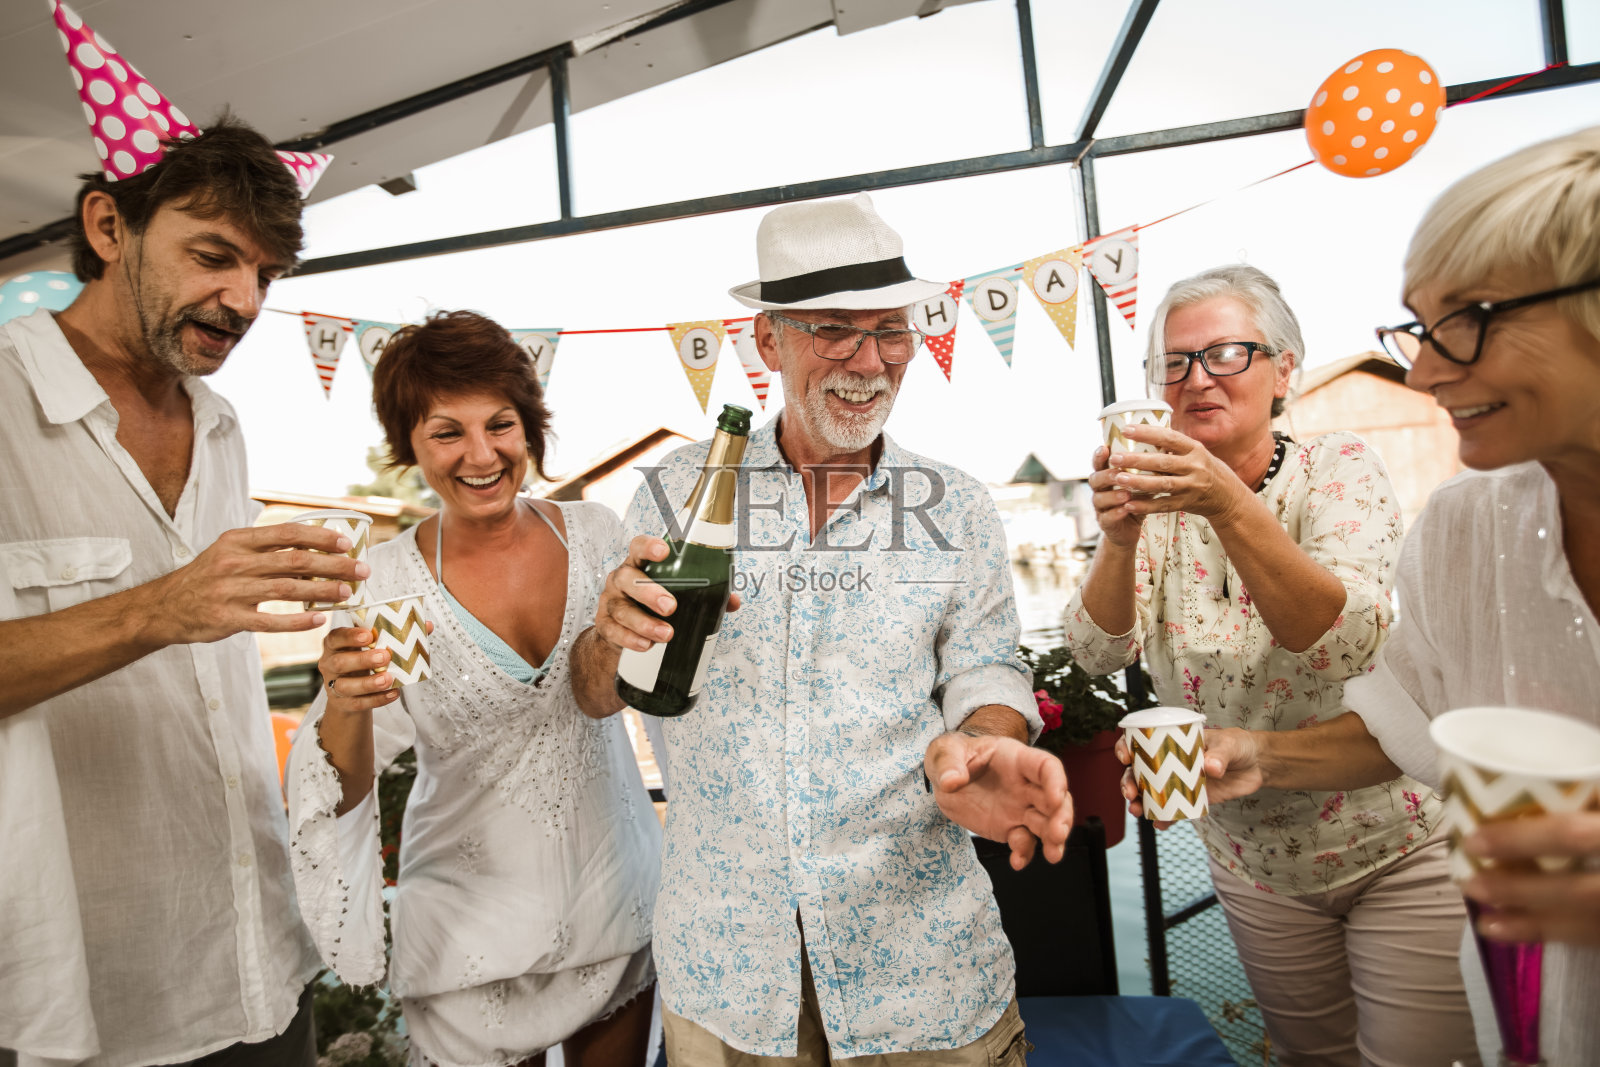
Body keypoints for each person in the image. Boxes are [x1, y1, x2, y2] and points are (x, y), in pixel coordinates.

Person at [569, 193, 1069, 1065]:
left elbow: (987, 671)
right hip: (727, 977)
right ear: (768, 340)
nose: (869, 362)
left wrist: (986, 742)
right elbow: (591, 691)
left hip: (923, 969)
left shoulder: (956, 506)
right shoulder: (675, 494)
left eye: (891, 332)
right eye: (835, 331)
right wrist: (611, 636)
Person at [1186, 124, 1600, 1067]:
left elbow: (1333, 631)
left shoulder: (1340, 470)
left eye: (1470, 317)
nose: (1423, 371)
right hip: (1529, 1023)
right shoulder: (1465, 529)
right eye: (1419, 326)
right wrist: (1256, 755)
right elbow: (1403, 723)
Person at [0, 118, 357, 1065]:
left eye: (267, 273)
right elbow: (178, 612)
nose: (245, 299)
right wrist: (161, 608)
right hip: (85, 996)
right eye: (214, 256)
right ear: (108, 226)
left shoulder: (222, 423)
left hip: (259, 962)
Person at [1064, 264, 1477, 1066]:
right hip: (1254, 860)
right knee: (1309, 1056)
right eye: (1174, 362)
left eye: (1225, 353)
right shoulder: (1155, 510)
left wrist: (1225, 500)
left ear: (1283, 369)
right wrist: (1118, 537)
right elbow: (1094, 651)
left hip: (1398, 842)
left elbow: (1344, 642)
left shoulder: (1338, 468)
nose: (1197, 378)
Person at [288, 311, 661, 1067]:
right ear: (410, 443)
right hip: (467, 931)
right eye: (446, 432)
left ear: (530, 428)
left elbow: (648, 678)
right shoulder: (387, 584)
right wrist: (347, 702)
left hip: (613, 898)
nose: (482, 454)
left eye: (500, 424)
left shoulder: (597, 534)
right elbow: (347, 784)